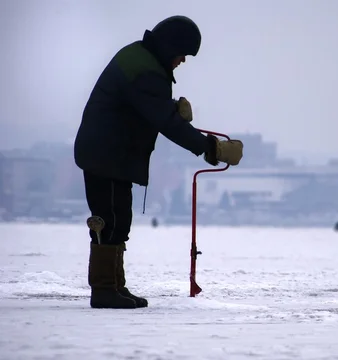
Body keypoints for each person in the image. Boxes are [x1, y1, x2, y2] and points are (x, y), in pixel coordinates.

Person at [74, 15, 244, 309]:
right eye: (182, 54)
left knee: (118, 219)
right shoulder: (145, 71)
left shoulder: (141, 60)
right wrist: (209, 148)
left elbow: (146, 108)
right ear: (169, 47)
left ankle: (115, 286)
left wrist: (171, 108)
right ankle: (103, 290)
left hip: (110, 152)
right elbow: (163, 121)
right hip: (107, 154)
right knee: (109, 221)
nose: (183, 61)